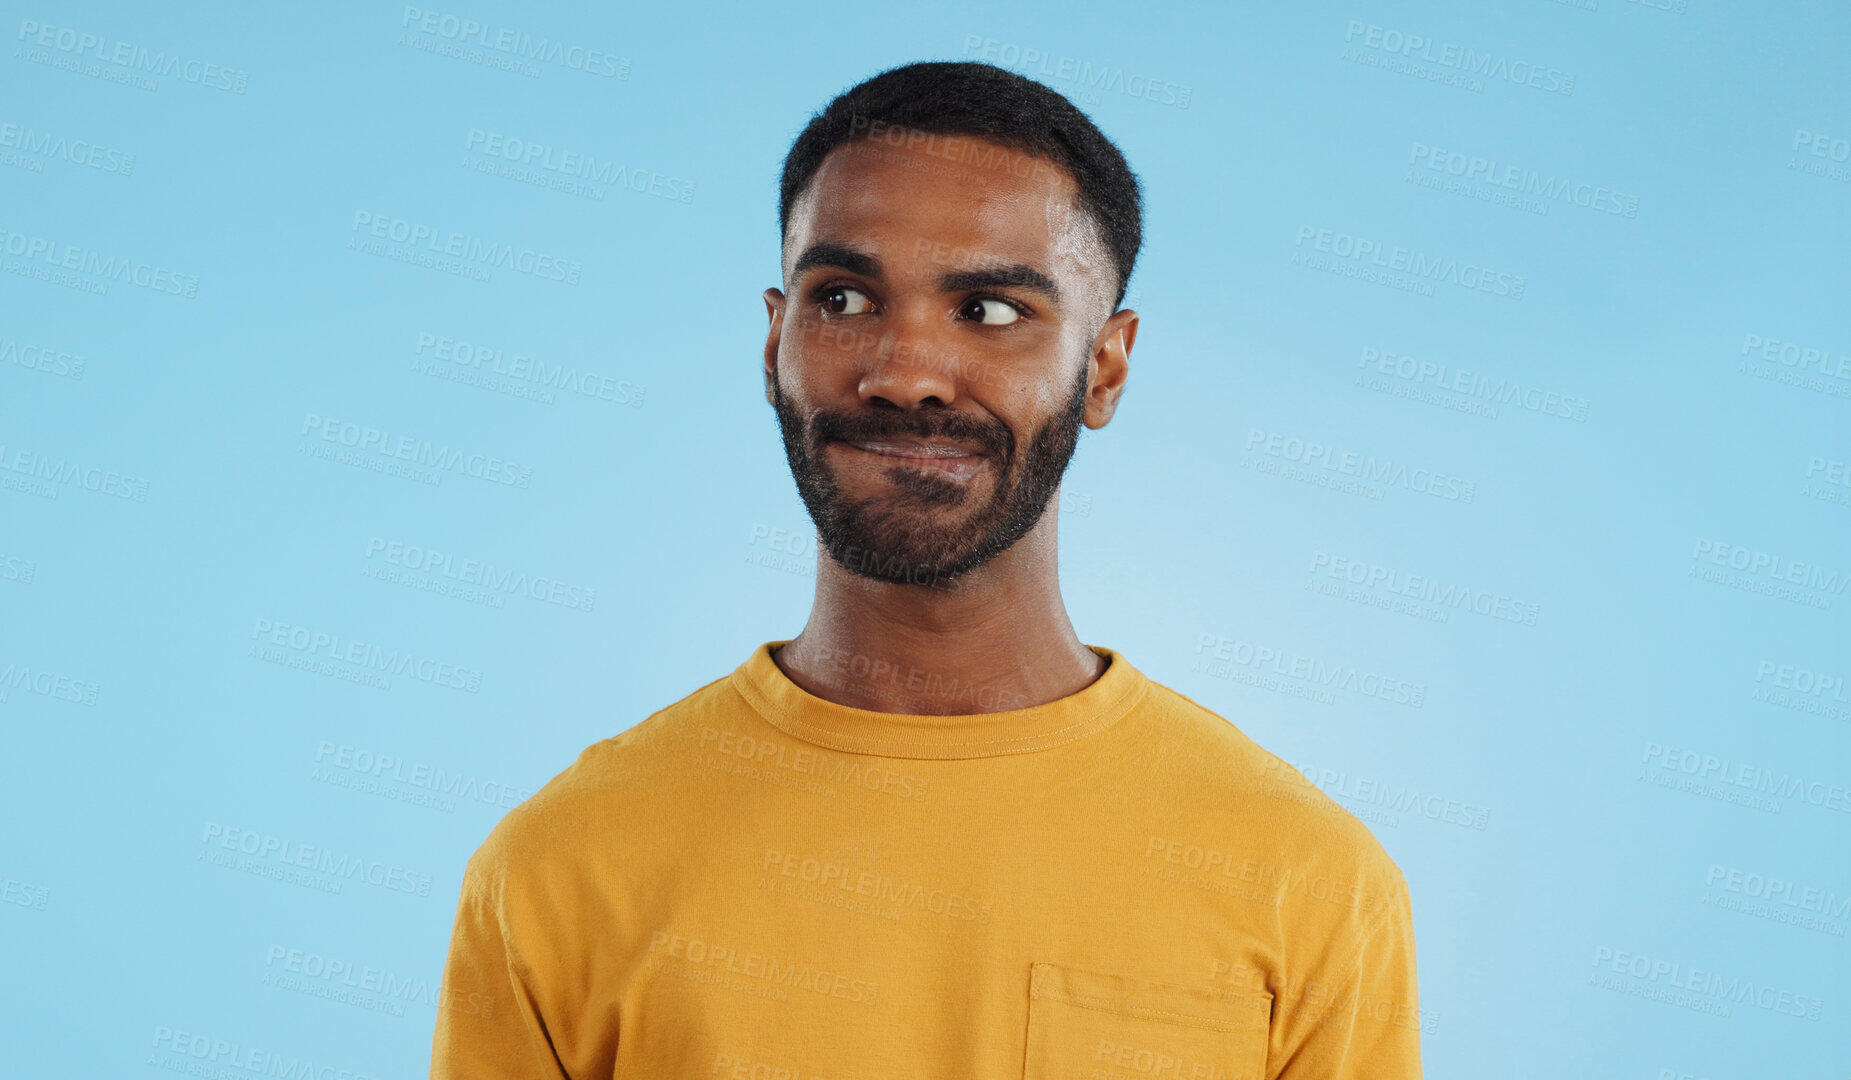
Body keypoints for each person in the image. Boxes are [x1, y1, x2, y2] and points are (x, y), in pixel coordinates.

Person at [431, 60, 1421, 1080]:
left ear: (1106, 367)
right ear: (775, 341)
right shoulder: (559, 869)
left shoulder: (1306, 881)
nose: (903, 374)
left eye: (990, 311)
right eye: (846, 298)